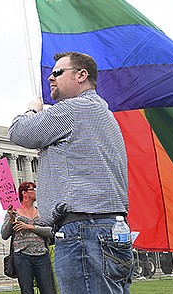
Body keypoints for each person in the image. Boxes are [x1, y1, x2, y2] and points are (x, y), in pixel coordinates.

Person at [8, 51, 132, 294]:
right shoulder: (103, 114)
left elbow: (19, 131)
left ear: (81, 76)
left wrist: (34, 111)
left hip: (84, 232)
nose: (50, 79)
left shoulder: (73, 109)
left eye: (57, 73)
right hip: (111, 231)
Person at [1, 181, 54, 294]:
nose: (35, 192)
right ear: (24, 193)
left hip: (42, 256)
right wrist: (11, 218)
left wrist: (30, 227)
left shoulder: (41, 211)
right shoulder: (14, 211)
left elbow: (51, 232)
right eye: (33, 189)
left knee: (47, 290)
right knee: (27, 291)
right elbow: (4, 235)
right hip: (22, 256)